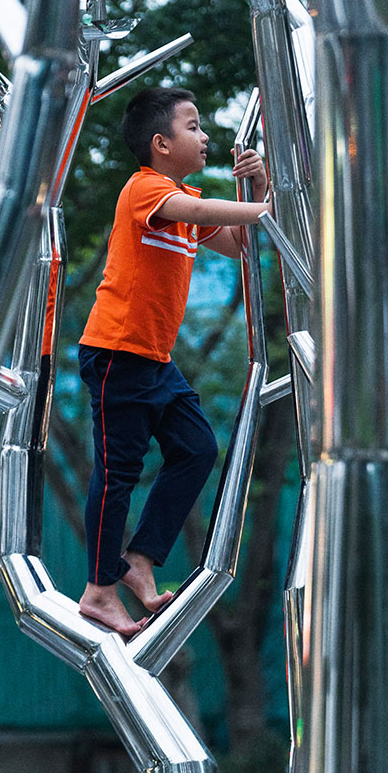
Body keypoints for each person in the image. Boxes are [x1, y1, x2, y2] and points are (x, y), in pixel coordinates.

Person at [77, 86, 270, 636]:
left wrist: (260, 187)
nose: (205, 137)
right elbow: (206, 210)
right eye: (193, 127)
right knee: (118, 472)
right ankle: (99, 590)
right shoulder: (146, 190)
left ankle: (139, 560)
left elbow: (238, 243)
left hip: (154, 360)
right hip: (117, 353)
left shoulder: (183, 201)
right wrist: (266, 207)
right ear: (161, 144)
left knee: (197, 448)